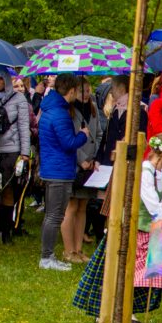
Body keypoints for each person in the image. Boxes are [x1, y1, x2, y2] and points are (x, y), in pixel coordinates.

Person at [73, 134, 162, 323]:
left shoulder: (161, 174)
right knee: (125, 273)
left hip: (153, 231)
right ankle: (106, 312)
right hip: (133, 229)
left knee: (148, 275)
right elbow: (154, 207)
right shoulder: (145, 173)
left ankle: (127, 311)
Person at [38, 74, 90, 271]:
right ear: (71, 91)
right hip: (58, 170)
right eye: (76, 90)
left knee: (53, 214)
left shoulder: (51, 108)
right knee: (55, 215)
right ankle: (47, 257)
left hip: (53, 168)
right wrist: (82, 136)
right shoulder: (60, 113)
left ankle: (48, 255)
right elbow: (68, 143)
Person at [0, 65, 31, 243]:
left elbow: (23, 126)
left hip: (12, 149)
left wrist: (25, 152)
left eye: (1, 79)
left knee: (8, 190)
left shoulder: (18, 98)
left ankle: (6, 232)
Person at [61, 79, 101, 263]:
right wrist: (82, 159)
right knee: (72, 206)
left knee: (83, 206)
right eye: (81, 91)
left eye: (87, 90)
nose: (85, 94)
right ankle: (68, 250)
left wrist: (93, 157)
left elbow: (99, 133)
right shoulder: (68, 111)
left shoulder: (93, 109)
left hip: (91, 165)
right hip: (75, 164)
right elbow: (68, 138)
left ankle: (78, 248)